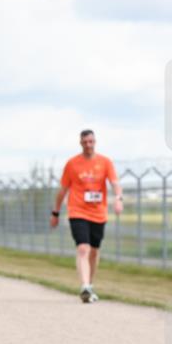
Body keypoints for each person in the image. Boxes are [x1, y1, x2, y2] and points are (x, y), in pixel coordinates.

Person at [50, 129, 123, 303]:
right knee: (83, 248)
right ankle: (84, 286)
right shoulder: (72, 164)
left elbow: (115, 183)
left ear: (95, 142)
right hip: (77, 211)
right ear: (81, 143)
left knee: (94, 251)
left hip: (98, 213)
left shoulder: (105, 162)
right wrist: (55, 212)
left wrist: (118, 198)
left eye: (91, 142)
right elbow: (62, 191)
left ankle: (89, 286)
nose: (88, 145)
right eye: (85, 142)